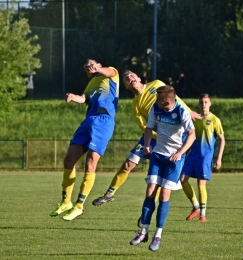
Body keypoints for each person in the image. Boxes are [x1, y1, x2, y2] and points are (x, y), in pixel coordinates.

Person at [92, 70, 201, 208]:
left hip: (171, 138)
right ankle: (109, 194)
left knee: (161, 177)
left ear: (138, 77)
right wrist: (153, 138)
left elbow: (175, 98)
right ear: (126, 86)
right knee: (127, 164)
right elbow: (144, 126)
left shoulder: (156, 84)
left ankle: (151, 212)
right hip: (152, 137)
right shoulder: (135, 104)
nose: (129, 78)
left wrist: (189, 111)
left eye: (131, 75)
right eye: (126, 78)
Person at [49, 59, 119, 221]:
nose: (88, 66)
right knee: (68, 161)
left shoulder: (110, 74)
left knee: (90, 164)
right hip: (88, 121)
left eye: (91, 63)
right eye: (86, 66)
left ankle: (79, 206)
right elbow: (84, 98)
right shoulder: (91, 84)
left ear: (99, 64)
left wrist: (98, 68)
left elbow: (109, 72)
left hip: (104, 121)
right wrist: (74, 97)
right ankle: (66, 202)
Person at [130, 86, 196, 251]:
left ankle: (157, 235)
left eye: (159, 100)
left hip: (174, 160)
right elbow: (148, 128)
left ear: (166, 102)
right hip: (158, 155)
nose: (155, 102)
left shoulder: (181, 112)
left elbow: (192, 134)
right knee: (150, 191)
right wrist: (146, 145)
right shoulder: (155, 107)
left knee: (164, 195)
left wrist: (180, 152)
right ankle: (143, 231)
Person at [180, 93, 225, 222]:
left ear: (210, 103)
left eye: (206, 102)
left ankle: (202, 215)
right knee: (182, 179)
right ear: (199, 104)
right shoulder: (195, 119)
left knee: (201, 183)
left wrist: (219, 158)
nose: (203, 104)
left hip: (205, 156)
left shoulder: (215, 120)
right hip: (192, 154)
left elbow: (222, 139)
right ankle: (196, 207)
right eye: (201, 102)